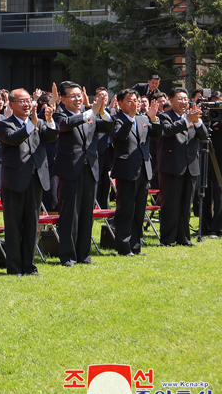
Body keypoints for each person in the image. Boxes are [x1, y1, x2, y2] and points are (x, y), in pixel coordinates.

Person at [0, 88, 58, 276]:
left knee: (32, 224)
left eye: (28, 100)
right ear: (11, 104)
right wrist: (30, 125)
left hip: (36, 179)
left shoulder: (39, 122)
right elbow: (14, 140)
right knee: (14, 225)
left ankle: (29, 266)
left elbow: (51, 137)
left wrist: (49, 121)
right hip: (15, 180)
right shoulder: (4, 124)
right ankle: (14, 267)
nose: (26, 104)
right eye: (21, 101)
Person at [52, 82, 114, 266]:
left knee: (87, 214)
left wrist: (102, 111)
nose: (77, 99)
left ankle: (84, 255)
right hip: (70, 171)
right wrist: (90, 111)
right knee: (70, 214)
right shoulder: (60, 115)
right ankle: (68, 256)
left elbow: (110, 126)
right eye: (72, 96)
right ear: (63, 99)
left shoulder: (91, 116)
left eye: (79, 95)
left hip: (90, 169)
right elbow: (66, 124)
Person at [110, 89, 162, 256]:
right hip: (126, 170)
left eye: (136, 100)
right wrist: (130, 117)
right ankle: (123, 247)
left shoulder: (143, 118)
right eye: (129, 101)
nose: (134, 103)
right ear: (120, 103)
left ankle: (135, 246)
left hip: (143, 169)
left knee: (139, 210)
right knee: (125, 210)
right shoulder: (115, 119)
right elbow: (120, 136)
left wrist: (154, 118)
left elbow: (158, 133)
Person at [157, 88, 208, 247]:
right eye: (179, 99)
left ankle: (184, 238)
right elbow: (168, 131)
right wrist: (187, 120)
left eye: (185, 99)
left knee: (186, 206)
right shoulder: (164, 116)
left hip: (190, 166)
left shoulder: (193, 117)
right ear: (170, 101)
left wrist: (197, 121)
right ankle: (167, 239)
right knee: (170, 205)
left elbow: (204, 136)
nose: (183, 102)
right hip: (172, 167)